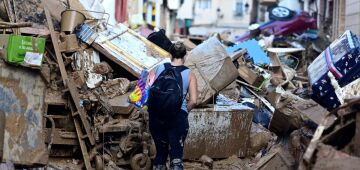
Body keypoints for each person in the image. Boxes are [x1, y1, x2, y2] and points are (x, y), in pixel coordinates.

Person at [148, 42, 197, 170]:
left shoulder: (159, 68)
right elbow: (194, 100)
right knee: (176, 156)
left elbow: (148, 89)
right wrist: (184, 111)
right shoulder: (190, 74)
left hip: (157, 117)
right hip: (177, 118)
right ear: (185, 55)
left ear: (170, 54)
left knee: (160, 154)